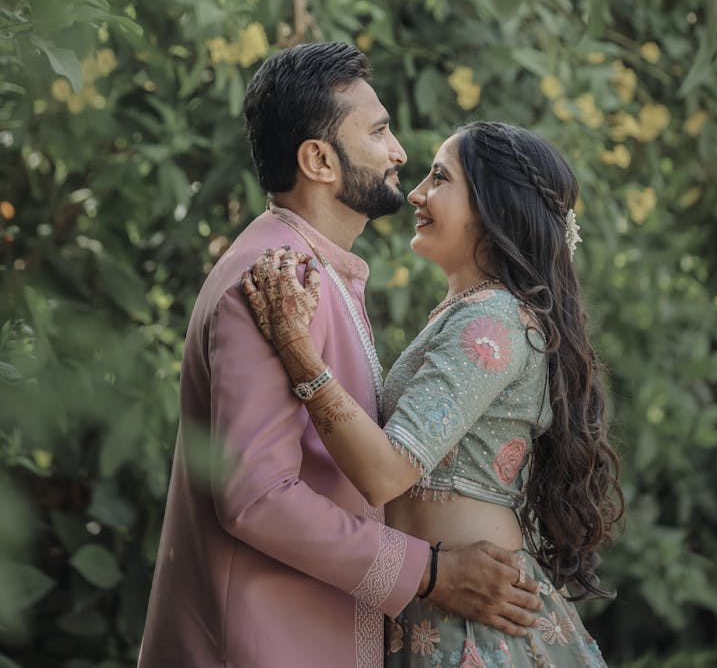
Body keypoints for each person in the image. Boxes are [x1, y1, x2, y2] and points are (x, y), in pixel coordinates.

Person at [138, 45, 542, 668]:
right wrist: (428, 573)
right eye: (379, 131)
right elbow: (257, 498)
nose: (400, 153)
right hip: (258, 642)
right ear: (319, 159)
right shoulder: (275, 276)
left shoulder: (316, 272)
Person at [244, 119, 624, 668]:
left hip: (474, 627)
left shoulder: (492, 320)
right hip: (441, 612)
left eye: (439, 178)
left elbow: (385, 473)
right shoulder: (473, 312)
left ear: (493, 209)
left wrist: (297, 350)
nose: (416, 193)